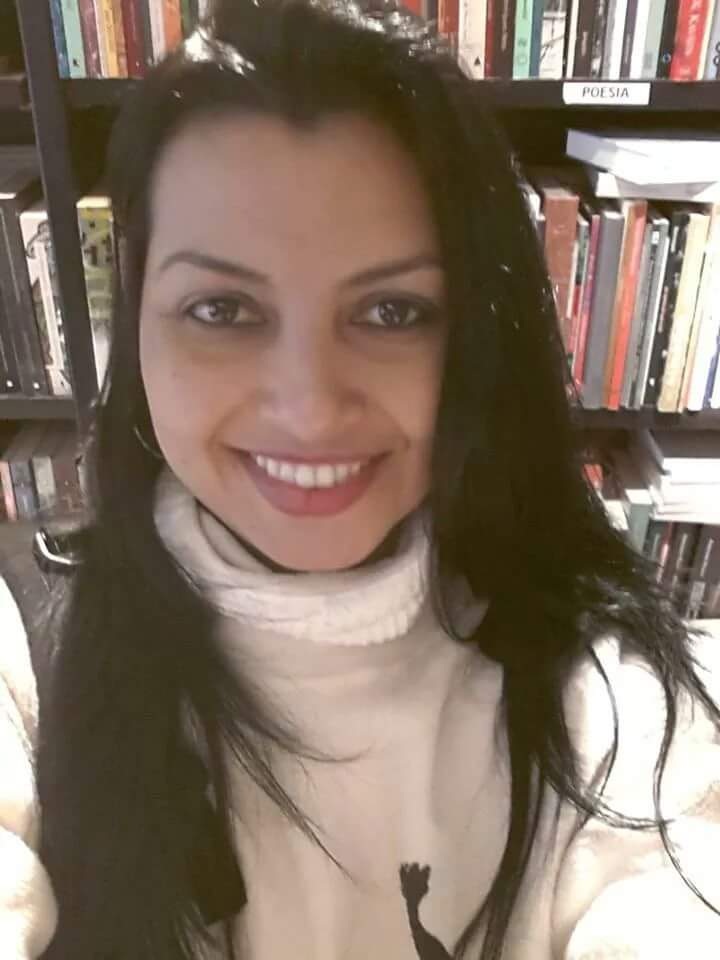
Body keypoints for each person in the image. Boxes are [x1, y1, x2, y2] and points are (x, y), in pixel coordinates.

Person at [2, 0, 720, 957]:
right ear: (136, 326)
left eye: (391, 313)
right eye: (222, 309)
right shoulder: (26, 646)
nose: (308, 408)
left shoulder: (603, 699)